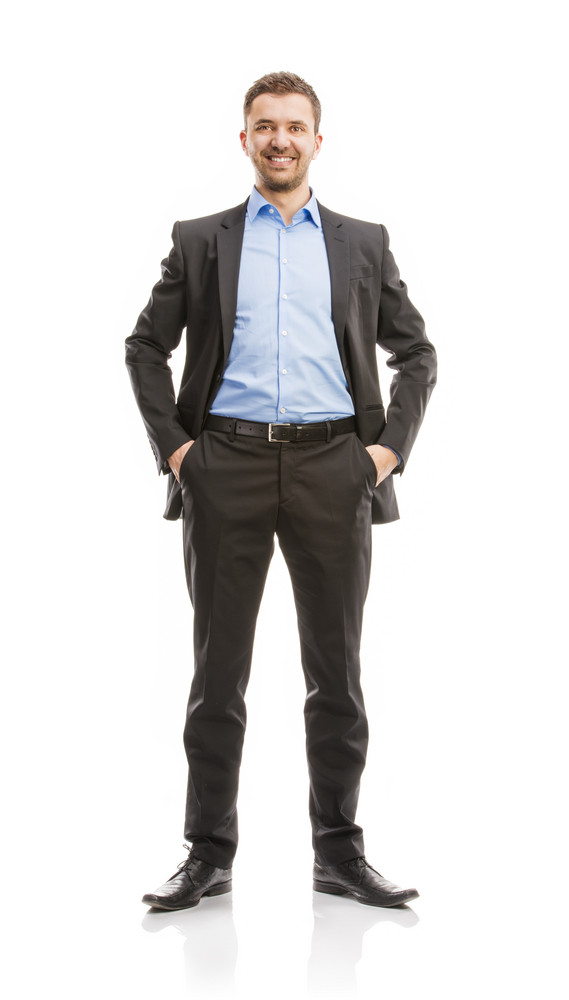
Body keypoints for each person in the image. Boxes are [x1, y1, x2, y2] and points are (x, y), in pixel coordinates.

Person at [126, 71, 437, 911]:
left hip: (333, 468)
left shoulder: (361, 241)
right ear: (244, 139)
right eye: (264, 126)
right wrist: (180, 452)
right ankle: (207, 854)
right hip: (222, 464)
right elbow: (143, 347)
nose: (280, 139)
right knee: (215, 674)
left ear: (316, 141)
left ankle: (339, 851)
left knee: (335, 673)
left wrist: (383, 454)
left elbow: (417, 353)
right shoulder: (202, 240)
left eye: (295, 127)